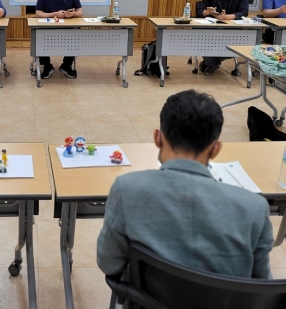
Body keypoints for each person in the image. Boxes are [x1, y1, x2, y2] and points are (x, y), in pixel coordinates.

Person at [97, 89, 272, 280]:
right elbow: (261, 284)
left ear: (158, 138)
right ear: (216, 149)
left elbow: (109, 264)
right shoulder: (255, 208)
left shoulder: (127, 190)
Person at [195, 0, 250, 76]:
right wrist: (206, 12)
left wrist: (227, 17)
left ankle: (211, 63)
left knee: (235, 47)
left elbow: (244, 11)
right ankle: (211, 63)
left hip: (232, 29)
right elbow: (200, 10)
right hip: (212, 28)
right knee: (204, 41)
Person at [35, 0, 83, 79]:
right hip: (47, 29)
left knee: (74, 40)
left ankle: (66, 66)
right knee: (40, 40)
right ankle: (47, 66)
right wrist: (54, 14)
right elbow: (38, 13)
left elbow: (80, 12)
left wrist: (73, 14)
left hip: (68, 29)